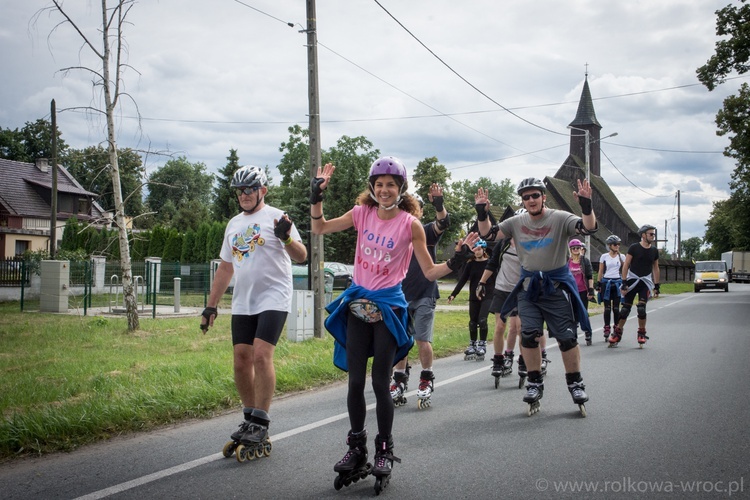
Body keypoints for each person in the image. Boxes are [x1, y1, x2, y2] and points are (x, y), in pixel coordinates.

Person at [311, 157, 478, 492]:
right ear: (372, 188)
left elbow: (430, 272)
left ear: (401, 189)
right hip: (358, 306)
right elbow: (319, 227)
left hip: (388, 308)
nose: (384, 190)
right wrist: (316, 198)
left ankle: (384, 447)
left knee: (379, 382)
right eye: (379, 184)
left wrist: (459, 259)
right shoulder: (361, 214)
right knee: (354, 381)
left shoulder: (410, 224)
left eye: (391, 184)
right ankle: (356, 447)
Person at [200, 165, 308, 460]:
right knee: (240, 360)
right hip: (243, 301)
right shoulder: (234, 224)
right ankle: (249, 418)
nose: (244, 195)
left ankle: (261, 421)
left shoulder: (277, 216)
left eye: (250, 189)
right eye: (239, 191)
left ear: (263, 190)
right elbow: (225, 267)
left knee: (261, 355)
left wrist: (286, 238)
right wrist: (211, 305)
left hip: (274, 297)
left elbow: (302, 256)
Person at [477, 177, 597, 416]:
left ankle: (575, 383)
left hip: (556, 286)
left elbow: (588, 228)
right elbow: (489, 235)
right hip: (529, 287)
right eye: (526, 197)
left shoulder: (560, 218)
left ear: (544, 197)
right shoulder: (516, 222)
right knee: (529, 335)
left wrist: (586, 206)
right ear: (522, 200)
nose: (530, 200)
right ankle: (534, 382)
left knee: (566, 338)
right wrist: (482, 213)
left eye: (535, 195)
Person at [390, 184, 450, 410]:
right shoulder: (396, 231)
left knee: (422, 339)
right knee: (400, 341)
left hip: (424, 293)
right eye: (407, 208)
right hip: (399, 295)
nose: (411, 212)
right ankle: (399, 379)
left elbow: (443, 223)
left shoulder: (425, 231)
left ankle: (426, 378)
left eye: (416, 208)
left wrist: (439, 205)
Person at [608, 225, 660, 347]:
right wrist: (624, 282)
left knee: (641, 308)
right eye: (651, 234)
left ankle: (641, 333)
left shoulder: (654, 251)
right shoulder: (634, 248)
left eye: (654, 234)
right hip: (632, 280)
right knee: (625, 309)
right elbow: (626, 265)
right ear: (643, 235)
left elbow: (656, 268)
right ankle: (617, 332)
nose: (653, 236)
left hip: (645, 282)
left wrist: (657, 286)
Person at [448, 238, 495, 361]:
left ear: (484, 249)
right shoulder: (470, 264)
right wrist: (453, 294)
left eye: (479, 249)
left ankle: (482, 344)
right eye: (475, 249)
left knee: (482, 320)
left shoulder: (490, 263)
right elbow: (462, 280)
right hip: (473, 296)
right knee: (473, 322)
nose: (477, 252)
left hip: (488, 296)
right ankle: (473, 344)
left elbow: (497, 279)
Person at [567, 239, 595, 345]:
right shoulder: (567, 262)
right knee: (572, 314)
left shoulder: (585, 261)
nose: (575, 250)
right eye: (573, 248)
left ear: (580, 249)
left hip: (583, 291)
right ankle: (573, 334)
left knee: (583, 313)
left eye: (577, 248)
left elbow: (589, 276)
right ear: (570, 249)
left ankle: (588, 332)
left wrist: (591, 290)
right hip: (571, 291)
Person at [598, 235, 625, 341]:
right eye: (615, 244)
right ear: (609, 246)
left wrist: (625, 281)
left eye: (618, 244)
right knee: (607, 308)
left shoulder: (621, 256)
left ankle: (616, 328)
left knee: (616, 308)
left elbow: (625, 269)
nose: (617, 246)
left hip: (617, 282)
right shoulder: (604, 256)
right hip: (606, 282)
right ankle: (606, 327)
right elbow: (601, 270)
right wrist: (599, 283)